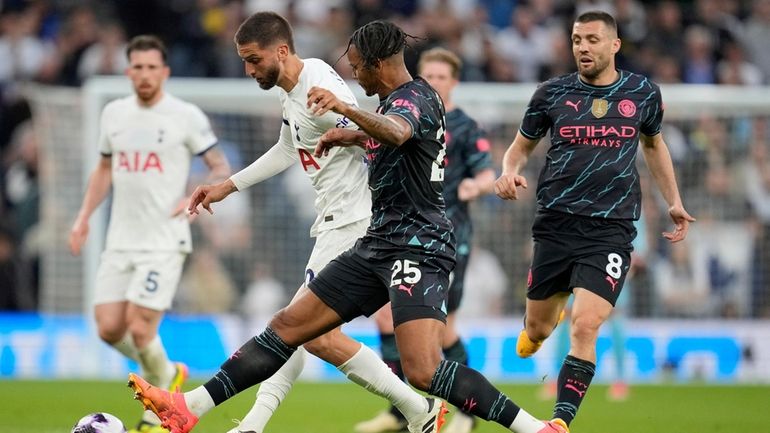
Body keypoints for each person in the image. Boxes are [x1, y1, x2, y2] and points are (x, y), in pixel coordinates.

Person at [127, 20, 566, 433]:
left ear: (379, 64)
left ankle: (530, 427)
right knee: (289, 326)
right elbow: (391, 138)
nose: (356, 79)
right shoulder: (391, 101)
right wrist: (349, 134)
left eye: (358, 69)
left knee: (424, 370)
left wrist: (345, 114)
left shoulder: (414, 98)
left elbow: (397, 132)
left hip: (418, 245)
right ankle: (189, 408)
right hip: (378, 241)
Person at [170, 11, 450, 433]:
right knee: (309, 333)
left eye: (253, 60)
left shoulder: (320, 84)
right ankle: (418, 410)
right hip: (333, 219)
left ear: (281, 51)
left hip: (355, 219)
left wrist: (349, 127)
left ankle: (243, 422)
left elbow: (369, 132)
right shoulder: (292, 91)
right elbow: (287, 149)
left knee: (295, 326)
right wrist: (227, 186)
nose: (248, 70)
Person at [494, 11, 695, 431]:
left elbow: (655, 146)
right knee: (539, 326)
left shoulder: (642, 93)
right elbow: (519, 148)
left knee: (587, 325)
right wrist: (508, 170)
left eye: (592, 40)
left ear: (614, 45)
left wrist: (673, 200)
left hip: (611, 229)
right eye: (576, 39)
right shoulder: (551, 94)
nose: (583, 47)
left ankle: (560, 421)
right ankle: (541, 326)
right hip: (556, 223)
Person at [68, 35, 232, 433]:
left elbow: (219, 166)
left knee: (142, 327)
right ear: (128, 72)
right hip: (121, 237)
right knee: (108, 327)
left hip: (164, 238)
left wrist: (194, 194)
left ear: (165, 72)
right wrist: (84, 216)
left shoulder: (185, 115)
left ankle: (160, 401)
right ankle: (168, 371)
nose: (144, 74)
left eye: (151, 67)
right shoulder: (114, 115)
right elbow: (104, 169)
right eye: (137, 67)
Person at [355, 47, 496, 433]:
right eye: (427, 76)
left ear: (454, 82)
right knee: (386, 317)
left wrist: (475, 185)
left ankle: (466, 413)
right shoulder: (402, 116)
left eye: (441, 77)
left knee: (441, 330)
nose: (433, 83)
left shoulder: (465, 127)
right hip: (401, 236)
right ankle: (403, 410)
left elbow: (487, 173)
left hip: (446, 237)